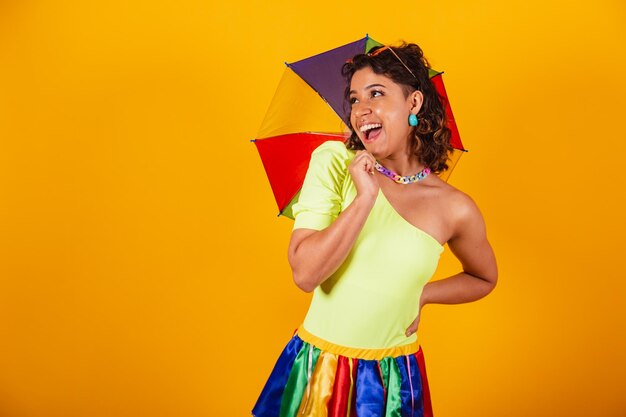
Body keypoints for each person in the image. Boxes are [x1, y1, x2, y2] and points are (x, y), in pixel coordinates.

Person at [252, 42, 498, 417]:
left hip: (394, 379)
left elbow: (484, 277)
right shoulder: (335, 162)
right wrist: (364, 198)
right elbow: (305, 273)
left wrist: (422, 294)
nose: (360, 109)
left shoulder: (455, 207)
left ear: (413, 104)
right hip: (320, 369)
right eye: (354, 99)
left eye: (376, 94)